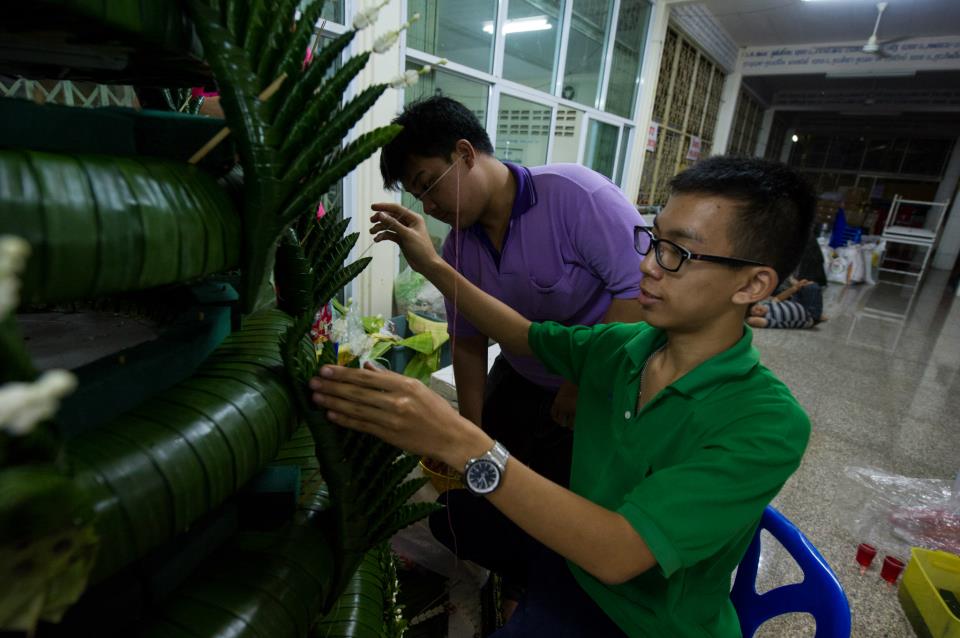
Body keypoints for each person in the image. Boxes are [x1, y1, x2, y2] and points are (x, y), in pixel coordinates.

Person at [310, 156, 814, 636]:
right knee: (454, 520)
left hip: (637, 619)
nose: (647, 267)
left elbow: (618, 554)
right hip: (571, 565)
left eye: (677, 253)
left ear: (753, 284)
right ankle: (525, 591)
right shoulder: (624, 348)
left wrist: (458, 438)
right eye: (652, 240)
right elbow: (525, 335)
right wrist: (432, 265)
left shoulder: (765, 422)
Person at [378, 96, 645, 488]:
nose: (430, 205)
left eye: (428, 184)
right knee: (494, 484)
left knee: (566, 498)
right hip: (523, 371)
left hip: (600, 378)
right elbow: (468, 343)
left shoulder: (576, 196)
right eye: (419, 197)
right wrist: (469, 436)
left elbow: (637, 294)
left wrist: (582, 383)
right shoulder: (459, 248)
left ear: (465, 153)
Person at [747, 276, 824, 329]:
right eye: (754, 313)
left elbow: (779, 298)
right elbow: (751, 321)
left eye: (755, 306)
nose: (756, 309)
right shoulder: (771, 320)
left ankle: (801, 287)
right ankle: (818, 317)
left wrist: (796, 287)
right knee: (813, 287)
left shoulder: (767, 304)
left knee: (807, 285)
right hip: (809, 315)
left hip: (797, 303)